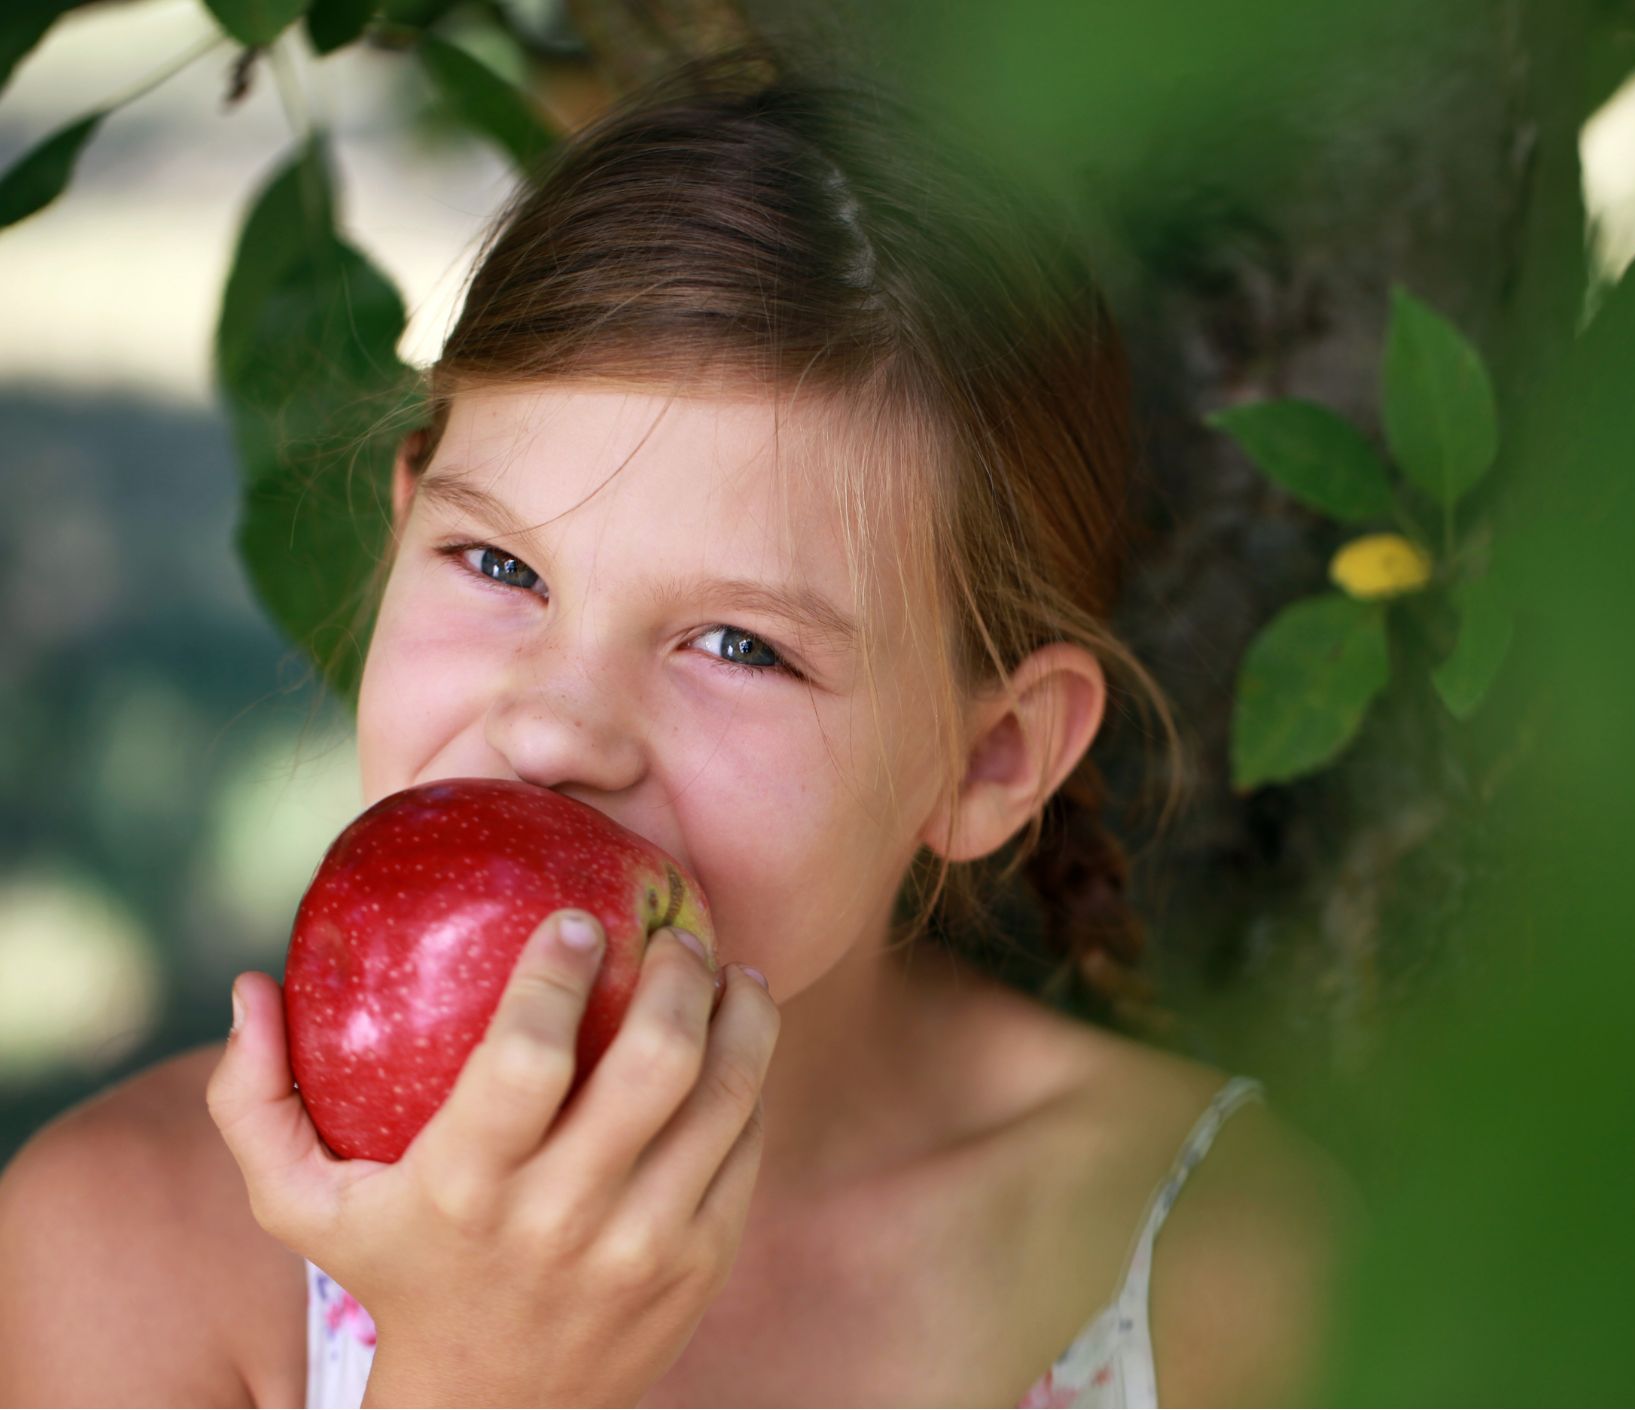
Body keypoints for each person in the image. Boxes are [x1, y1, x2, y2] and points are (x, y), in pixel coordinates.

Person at [0, 51, 1341, 1408]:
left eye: (740, 645)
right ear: (401, 534)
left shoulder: (1231, 1270)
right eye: (498, 567)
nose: (558, 725)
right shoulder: (132, 1251)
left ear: (993, 757)